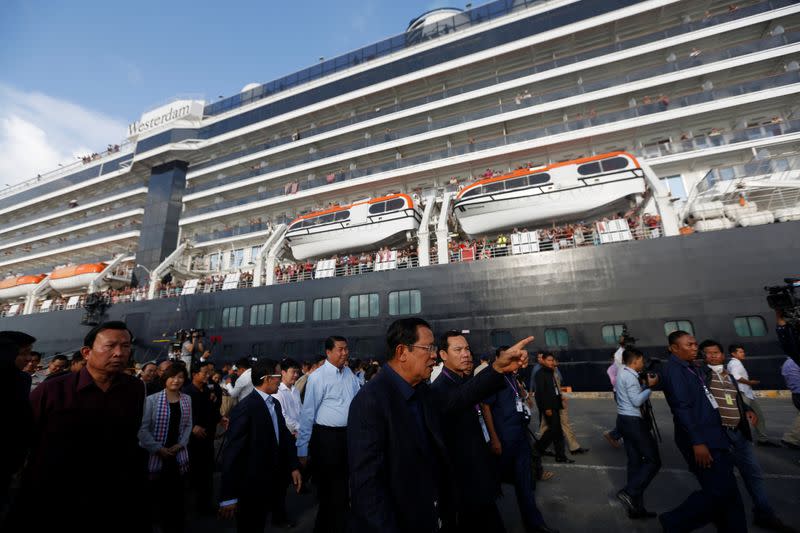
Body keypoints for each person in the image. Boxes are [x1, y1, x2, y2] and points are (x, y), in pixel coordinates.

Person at [347, 318, 546, 533]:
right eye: (428, 348)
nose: (434, 354)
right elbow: (368, 489)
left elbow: (461, 397)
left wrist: (498, 368)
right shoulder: (371, 401)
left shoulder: (421, 392)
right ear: (402, 352)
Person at [12, 321, 147, 532]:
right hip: (54, 496)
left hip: (111, 494)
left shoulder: (135, 389)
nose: (120, 353)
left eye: (126, 346)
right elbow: (23, 437)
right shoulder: (52, 390)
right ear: (86, 352)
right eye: (110, 346)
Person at [658, 331, 746, 533]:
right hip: (702, 440)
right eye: (689, 345)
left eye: (695, 344)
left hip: (715, 435)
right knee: (718, 493)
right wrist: (697, 442)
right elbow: (682, 408)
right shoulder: (674, 371)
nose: (694, 347)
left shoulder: (692, 367)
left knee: (729, 492)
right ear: (674, 348)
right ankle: (673, 522)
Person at [699, 340, 791, 531]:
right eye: (708, 353)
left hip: (739, 432)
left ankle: (764, 513)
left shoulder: (729, 376)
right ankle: (723, 518)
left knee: (753, 473)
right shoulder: (701, 375)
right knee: (722, 480)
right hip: (720, 433)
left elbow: (735, 397)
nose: (713, 355)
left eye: (716, 352)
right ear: (703, 356)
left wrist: (747, 408)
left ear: (723, 354)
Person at [430, 331, 505, 533]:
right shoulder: (440, 389)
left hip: (479, 473)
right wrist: (497, 368)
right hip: (465, 483)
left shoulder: (462, 380)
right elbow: (464, 396)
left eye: (467, 349)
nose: (466, 354)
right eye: (458, 350)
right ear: (443, 355)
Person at [219, 359, 302, 533]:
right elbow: (232, 453)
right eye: (278, 375)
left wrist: (294, 466)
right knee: (251, 525)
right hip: (250, 484)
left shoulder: (274, 404)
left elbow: (284, 437)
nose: (281, 379)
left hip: (271, 479)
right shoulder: (246, 408)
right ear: (267, 378)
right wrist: (228, 496)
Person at [482, 345, 555, 533]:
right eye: (512, 359)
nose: (517, 362)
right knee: (491, 483)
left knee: (525, 481)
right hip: (504, 438)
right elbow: (486, 407)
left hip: (520, 436)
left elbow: (520, 398)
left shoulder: (513, 378)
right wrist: (494, 439)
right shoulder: (494, 379)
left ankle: (535, 523)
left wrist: (522, 392)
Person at [297, 336, 361, 533]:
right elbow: (308, 414)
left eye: (346, 349)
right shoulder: (318, 377)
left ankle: (339, 525)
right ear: (328, 352)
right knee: (329, 491)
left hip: (347, 437)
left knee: (344, 488)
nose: (345, 353)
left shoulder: (349, 373)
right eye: (340, 349)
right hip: (327, 439)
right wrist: (302, 448)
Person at [138, 364, 192, 533]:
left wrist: (181, 443)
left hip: (176, 454)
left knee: (176, 498)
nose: (176, 380)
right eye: (172, 376)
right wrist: (158, 448)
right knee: (155, 498)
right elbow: (142, 429)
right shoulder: (151, 400)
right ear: (165, 378)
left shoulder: (187, 399)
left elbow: (188, 424)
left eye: (180, 377)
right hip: (155, 455)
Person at [614, 347, 660, 519]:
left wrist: (643, 385)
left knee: (634, 463)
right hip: (634, 421)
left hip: (623, 420)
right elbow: (636, 401)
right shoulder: (630, 376)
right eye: (642, 360)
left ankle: (636, 508)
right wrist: (650, 387)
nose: (643, 363)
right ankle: (629, 492)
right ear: (635, 360)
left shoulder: (622, 372)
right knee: (653, 461)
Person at [183, 364, 220, 515]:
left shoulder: (206, 391)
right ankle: (190, 506)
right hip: (192, 441)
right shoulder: (187, 392)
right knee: (193, 473)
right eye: (204, 373)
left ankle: (205, 504)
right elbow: (183, 414)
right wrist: (192, 427)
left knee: (207, 472)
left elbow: (212, 411)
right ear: (195, 374)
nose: (207, 375)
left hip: (207, 438)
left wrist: (221, 418)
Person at [727, 344, 775, 446]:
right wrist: (750, 382)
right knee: (743, 419)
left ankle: (762, 439)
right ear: (733, 353)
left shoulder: (734, 363)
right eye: (740, 352)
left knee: (758, 416)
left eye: (743, 351)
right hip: (743, 393)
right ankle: (740, 441)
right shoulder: (735, 363)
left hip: (748, 394)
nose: (743, 353)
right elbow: (736, 377)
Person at [534, 353, 572, 463]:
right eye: (549, 360)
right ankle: (539, 448)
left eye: (552, 360)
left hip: (555, 404)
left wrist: (561, 400)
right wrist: (547, 408)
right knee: (555, 431)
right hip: (549, 406)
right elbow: (542, 392)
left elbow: (555, 389)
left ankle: (541, 449)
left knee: (555, 431)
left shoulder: (551, 372)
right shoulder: (540, 374)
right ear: (544, 361)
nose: (551, 362)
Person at [781, 356, 800, 449]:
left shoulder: (787, 363)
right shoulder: (796, 362)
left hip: (795, 393)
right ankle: (790, 438)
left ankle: (791, 438)